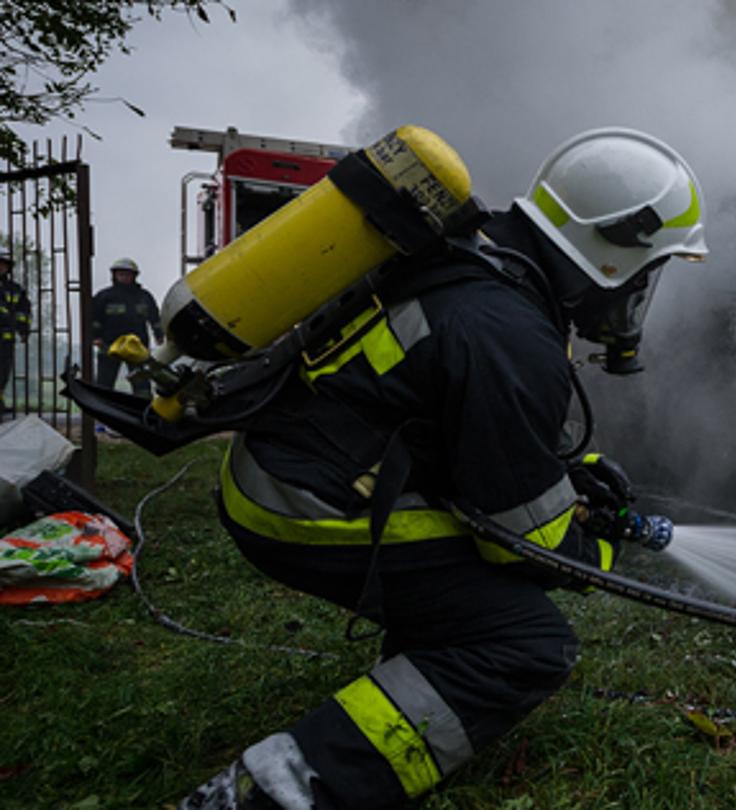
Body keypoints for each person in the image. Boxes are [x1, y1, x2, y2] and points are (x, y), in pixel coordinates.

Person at [181, 128, 707, 810]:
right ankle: (274, 795)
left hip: (282, 466)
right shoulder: (509, 331)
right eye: (649, 268)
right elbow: (525, 546)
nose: (643, 290)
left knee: (465, 591)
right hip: (299, 505)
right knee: (523, 641)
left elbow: (459, 423)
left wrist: (568, 475)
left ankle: (413, 678)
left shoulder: (484, 255)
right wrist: (596, 546)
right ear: (615, 250)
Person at [91, 257, 163, 397]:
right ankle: (103, 411)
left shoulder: (144, 296)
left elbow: (155, 318)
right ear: (114, 275)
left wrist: (159, 335)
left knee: (141, 383)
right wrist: (95, 337)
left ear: (134, 276)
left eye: (127, 274)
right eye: (121, 274)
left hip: (137, 346)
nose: (124, 277)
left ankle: (143, 411)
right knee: (104, 383)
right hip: (109, 345)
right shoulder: (104, 297)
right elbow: (95, 319)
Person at [0, 246, 30, 417]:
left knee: (3, 374)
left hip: (5, 340)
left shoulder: (15, 289)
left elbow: (23, 311)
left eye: (3, 264)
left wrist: (23, 330)